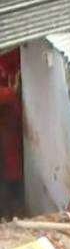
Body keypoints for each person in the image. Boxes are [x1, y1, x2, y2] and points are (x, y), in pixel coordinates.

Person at [0, 49, 23, 218]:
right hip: (7, 131)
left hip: (11, 129)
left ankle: (10, 209)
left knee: (12, 170)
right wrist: (11, 92)